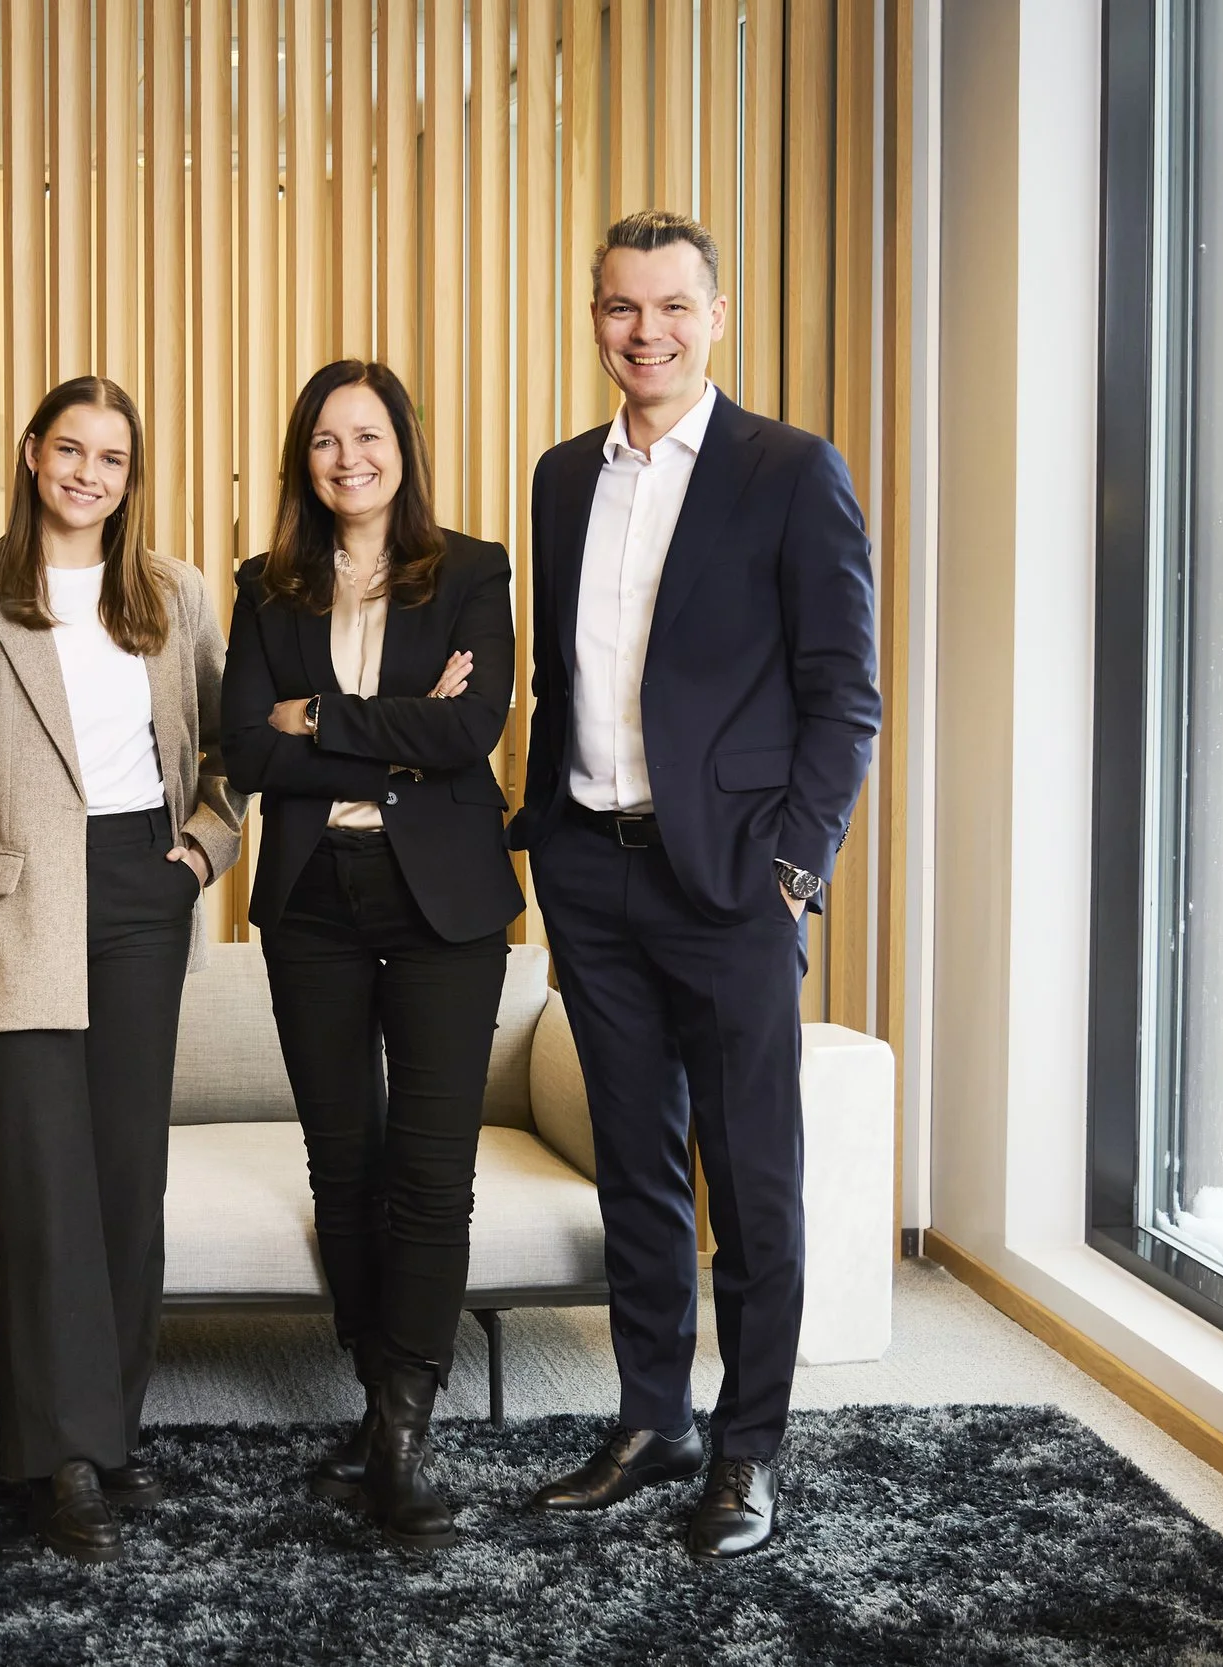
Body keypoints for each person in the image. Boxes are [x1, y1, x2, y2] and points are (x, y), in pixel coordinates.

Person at [512, 210, 880, 1560]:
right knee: (636, 1170)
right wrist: (544, 834)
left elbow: (846, 693)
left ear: (714, 318)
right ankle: (652, 1415)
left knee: (752, 1177)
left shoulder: (788, 470)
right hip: (591, 874)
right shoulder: (561, 478)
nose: (645, 331)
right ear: (595, 314)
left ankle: (748, 1447)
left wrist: (795, 864)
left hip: (731, 884)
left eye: (672, 306)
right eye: (621, 307)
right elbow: (564, 683)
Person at [0, 377, 241, 1563]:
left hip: (143, 895)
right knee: (42, 1190)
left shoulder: (176, 594)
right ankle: (57, 1459)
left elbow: (232, 748)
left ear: (128, 474)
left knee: (120, 1181)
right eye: (69, 449)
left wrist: (199, 856)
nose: (87, 473)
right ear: (31, 455)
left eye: (110, 457)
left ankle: (113, 1437)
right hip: (14, 914)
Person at [219, 360, 521, 1550]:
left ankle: (401, 1424)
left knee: (431, 1171)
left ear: (405, 442)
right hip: (310, 901)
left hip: (442, 904)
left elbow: (470, 730)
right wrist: (391, 735)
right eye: (327, 440)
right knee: (340, 1161)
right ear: (305, 459)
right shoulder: (266, 587)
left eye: (370, 434)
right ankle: (376, 1389)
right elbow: (246, 749)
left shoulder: (473, 571)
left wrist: (322, 716)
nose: (350, 457)